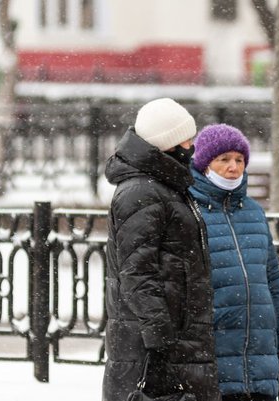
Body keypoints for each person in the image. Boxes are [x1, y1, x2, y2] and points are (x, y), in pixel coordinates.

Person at [103, 98, 220, 401]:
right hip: (155, 343)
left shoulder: (164, 185)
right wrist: (159, 339)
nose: (192, 146)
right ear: (167, 143)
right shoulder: (142, 191)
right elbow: (137, 271)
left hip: (176, 334)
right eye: (186, 138)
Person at [188, 124, 279, 401]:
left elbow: (273, 281)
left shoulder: (254, 212)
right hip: (214, 351)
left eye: (239, 160)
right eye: (223, 159)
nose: (233, 167)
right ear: (204, 164)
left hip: (260, 352)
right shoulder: (190, 212)